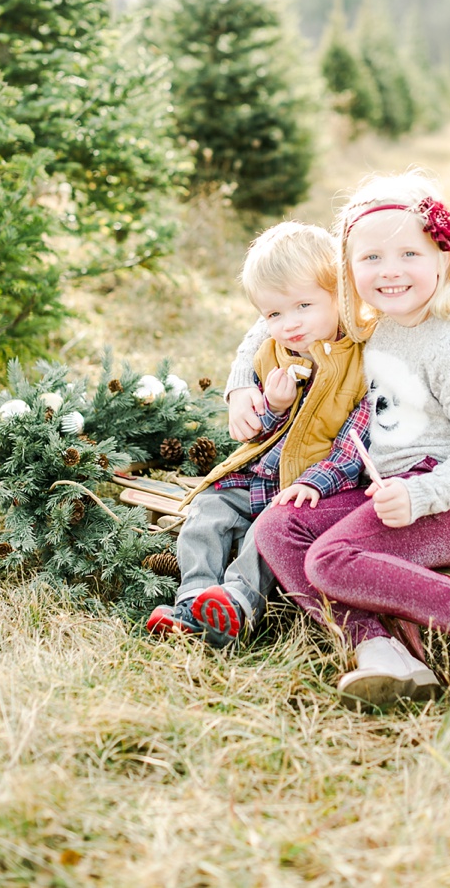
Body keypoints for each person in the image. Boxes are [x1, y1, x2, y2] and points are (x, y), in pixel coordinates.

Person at [230, 171, 450, 705]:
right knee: (278, 526)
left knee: (328, 559)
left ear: (444, 258)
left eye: (409, 254)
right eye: (370, 260)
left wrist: (418, 496)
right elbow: (272, 316)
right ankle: (383, 651)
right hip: (387, 491)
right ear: (348, 272)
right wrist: (239, 391)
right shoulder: (376, 323)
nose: (390, 273)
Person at [147, 221, 370, 648]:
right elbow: (265, 434)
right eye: (274, 314)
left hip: (307, 491)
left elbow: (353, 448)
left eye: (304, 305)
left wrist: (312, 482)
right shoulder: (273, 353)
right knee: (207, 513)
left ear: (340, 295)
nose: (290, 324)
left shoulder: (362, 363)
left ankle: (238, 604)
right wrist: (275, 407)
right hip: (259, 478)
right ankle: (192, 600)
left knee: (263, 534)